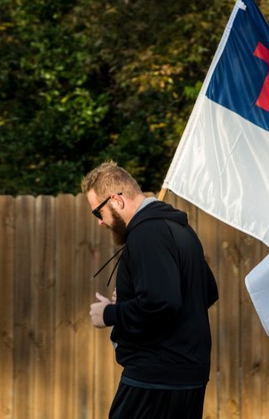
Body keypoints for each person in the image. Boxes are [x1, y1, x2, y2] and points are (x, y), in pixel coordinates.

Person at [82, 160, 219, 419]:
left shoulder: (147, 233)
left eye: (98, 212)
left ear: (116, 200)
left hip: (155, 380)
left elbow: (161, 303)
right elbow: (206, 292)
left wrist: (109, 314)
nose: (100, 222)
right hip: (187, 378)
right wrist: (132, 298)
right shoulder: (181, 229)